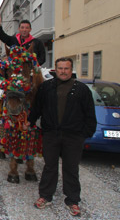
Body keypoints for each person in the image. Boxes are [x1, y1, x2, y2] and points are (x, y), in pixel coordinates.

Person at [29, 57, 96, 216]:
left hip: (73, 136)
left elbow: (89, 114)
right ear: (55, 70)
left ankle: (72, 200)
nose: (63, 71)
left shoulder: (81, 89)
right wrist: (29, 122)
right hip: (51, 134)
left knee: (71, 168)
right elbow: (37, 108)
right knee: (49, 166)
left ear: (71, 70)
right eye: (60, 68)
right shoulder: (46, 87)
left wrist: (85, 134)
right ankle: (45, 196)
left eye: (66, 68)